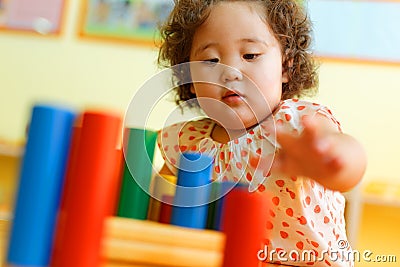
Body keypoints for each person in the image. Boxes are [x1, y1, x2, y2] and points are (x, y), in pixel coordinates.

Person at [155, 0, 367, 266]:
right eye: (211, 60)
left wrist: (330, 160)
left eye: (250, 55)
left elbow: (349, 162)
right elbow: (162, 212)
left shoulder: (298, 123)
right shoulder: (185, 142)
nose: (230, 72)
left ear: (285, 68)